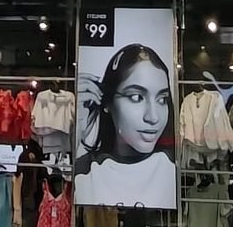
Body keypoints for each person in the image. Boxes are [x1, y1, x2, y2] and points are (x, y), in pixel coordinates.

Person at [74, 43, 175, 208]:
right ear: (107, 101)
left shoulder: (174, 170)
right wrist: (76, 129)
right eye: (136, 97)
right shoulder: (85, 173)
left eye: (162, 99)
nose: (153, 117)